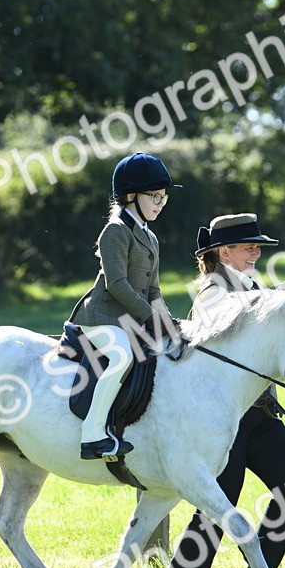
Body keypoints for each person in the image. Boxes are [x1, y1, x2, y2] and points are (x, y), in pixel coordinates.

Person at [153, 213, 285, 568]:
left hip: (255, 414)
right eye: (249, 246)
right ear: (225, 252)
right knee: (218, 502)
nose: (257, 252)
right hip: (219, 418)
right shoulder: (213, 293)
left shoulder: (254, 287)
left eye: (258, 246)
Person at [68, 152, 181, 460]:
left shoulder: (150, 237)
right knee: (123, 355)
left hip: (129, 319)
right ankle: (93, 435)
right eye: (154, 196)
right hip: (101, 318)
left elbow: (154, 290)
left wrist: (170, 323)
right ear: (131, 196)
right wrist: (150, 320)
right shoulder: (115, 231)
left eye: (164, 197)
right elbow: (118, 285)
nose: (160, 203)